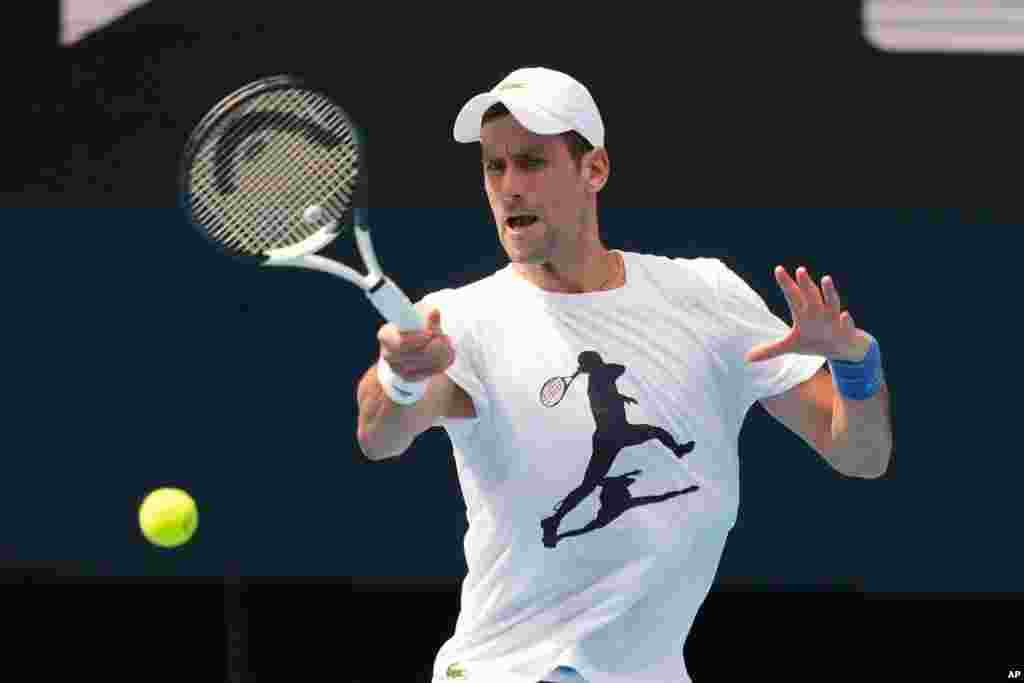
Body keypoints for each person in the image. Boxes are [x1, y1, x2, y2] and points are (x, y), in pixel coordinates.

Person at [355, 66, 892, 683]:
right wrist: (401, 375)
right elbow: (379, 437)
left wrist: (855, 365)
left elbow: (860, 454)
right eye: (493, 167)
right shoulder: (460, 321)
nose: (509, 188)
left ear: (595, 170)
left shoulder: (705, 295)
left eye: (530, 162)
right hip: (511, 672)